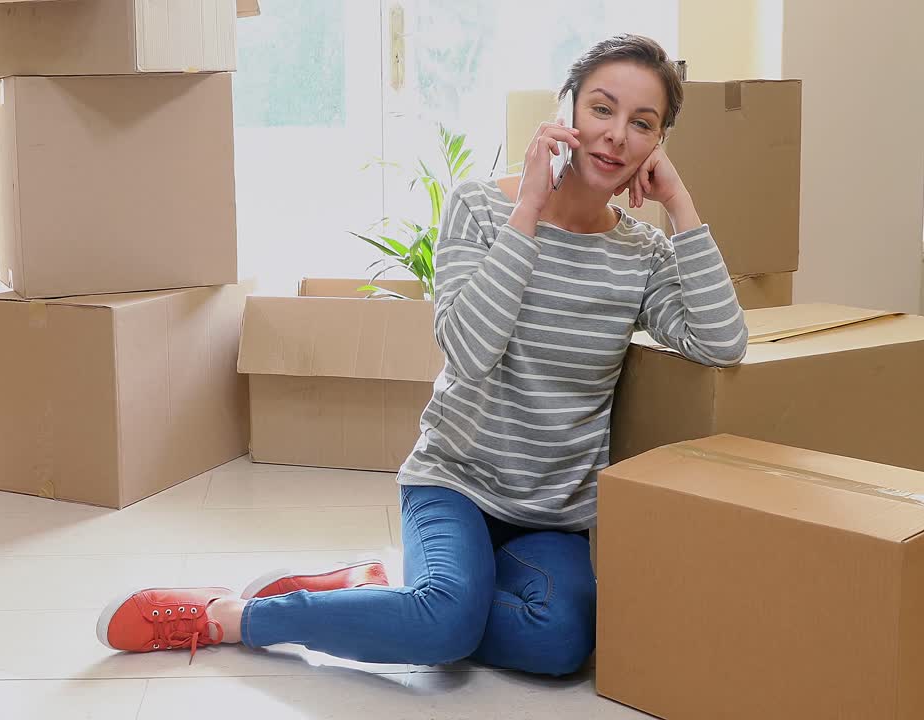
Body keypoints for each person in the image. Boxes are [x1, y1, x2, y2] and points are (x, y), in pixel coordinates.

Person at [94, 34, 748, 675]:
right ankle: (232, 616)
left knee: (559, 643)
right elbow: (469, 352)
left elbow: (722, 341)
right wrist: (528, 208)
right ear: (567, 109)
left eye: (643, 123)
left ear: (658, 144)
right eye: (602, 108)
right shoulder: (480, 208)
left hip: (552, 517)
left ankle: (389, 598)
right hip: (453, 483)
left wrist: (680, 206)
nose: (616, 135)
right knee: (444, 624)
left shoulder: (641, 254)